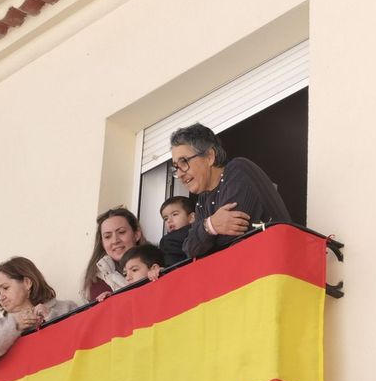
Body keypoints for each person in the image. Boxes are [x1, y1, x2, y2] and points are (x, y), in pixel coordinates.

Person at [169, 123, 291, 259]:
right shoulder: (203, 200)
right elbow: (190, 249)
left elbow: (229, 238)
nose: (179, 174)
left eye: (184, 162)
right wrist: (211, 225)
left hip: (278, 267)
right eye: (176, 167)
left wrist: (206, 236)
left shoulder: (238, 170)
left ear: (209, 156)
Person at [0, 257, 79, 368]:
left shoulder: (66, 308)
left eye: (5, 288)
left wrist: (51, 316)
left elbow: (83, 337)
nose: (1, 297)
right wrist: (14, 325)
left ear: (27, 282)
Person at [81, 207, 148, 302]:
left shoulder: (160, 262)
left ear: (136, 234)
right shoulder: (96, 280)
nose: (115, 240)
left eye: (121, 232)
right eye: (107, 236)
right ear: (102, 243)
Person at [157, 196, 197, 268]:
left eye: (174, 214)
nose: (169, 220)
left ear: (191, 218)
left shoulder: (169, 240)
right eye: (165, 218)